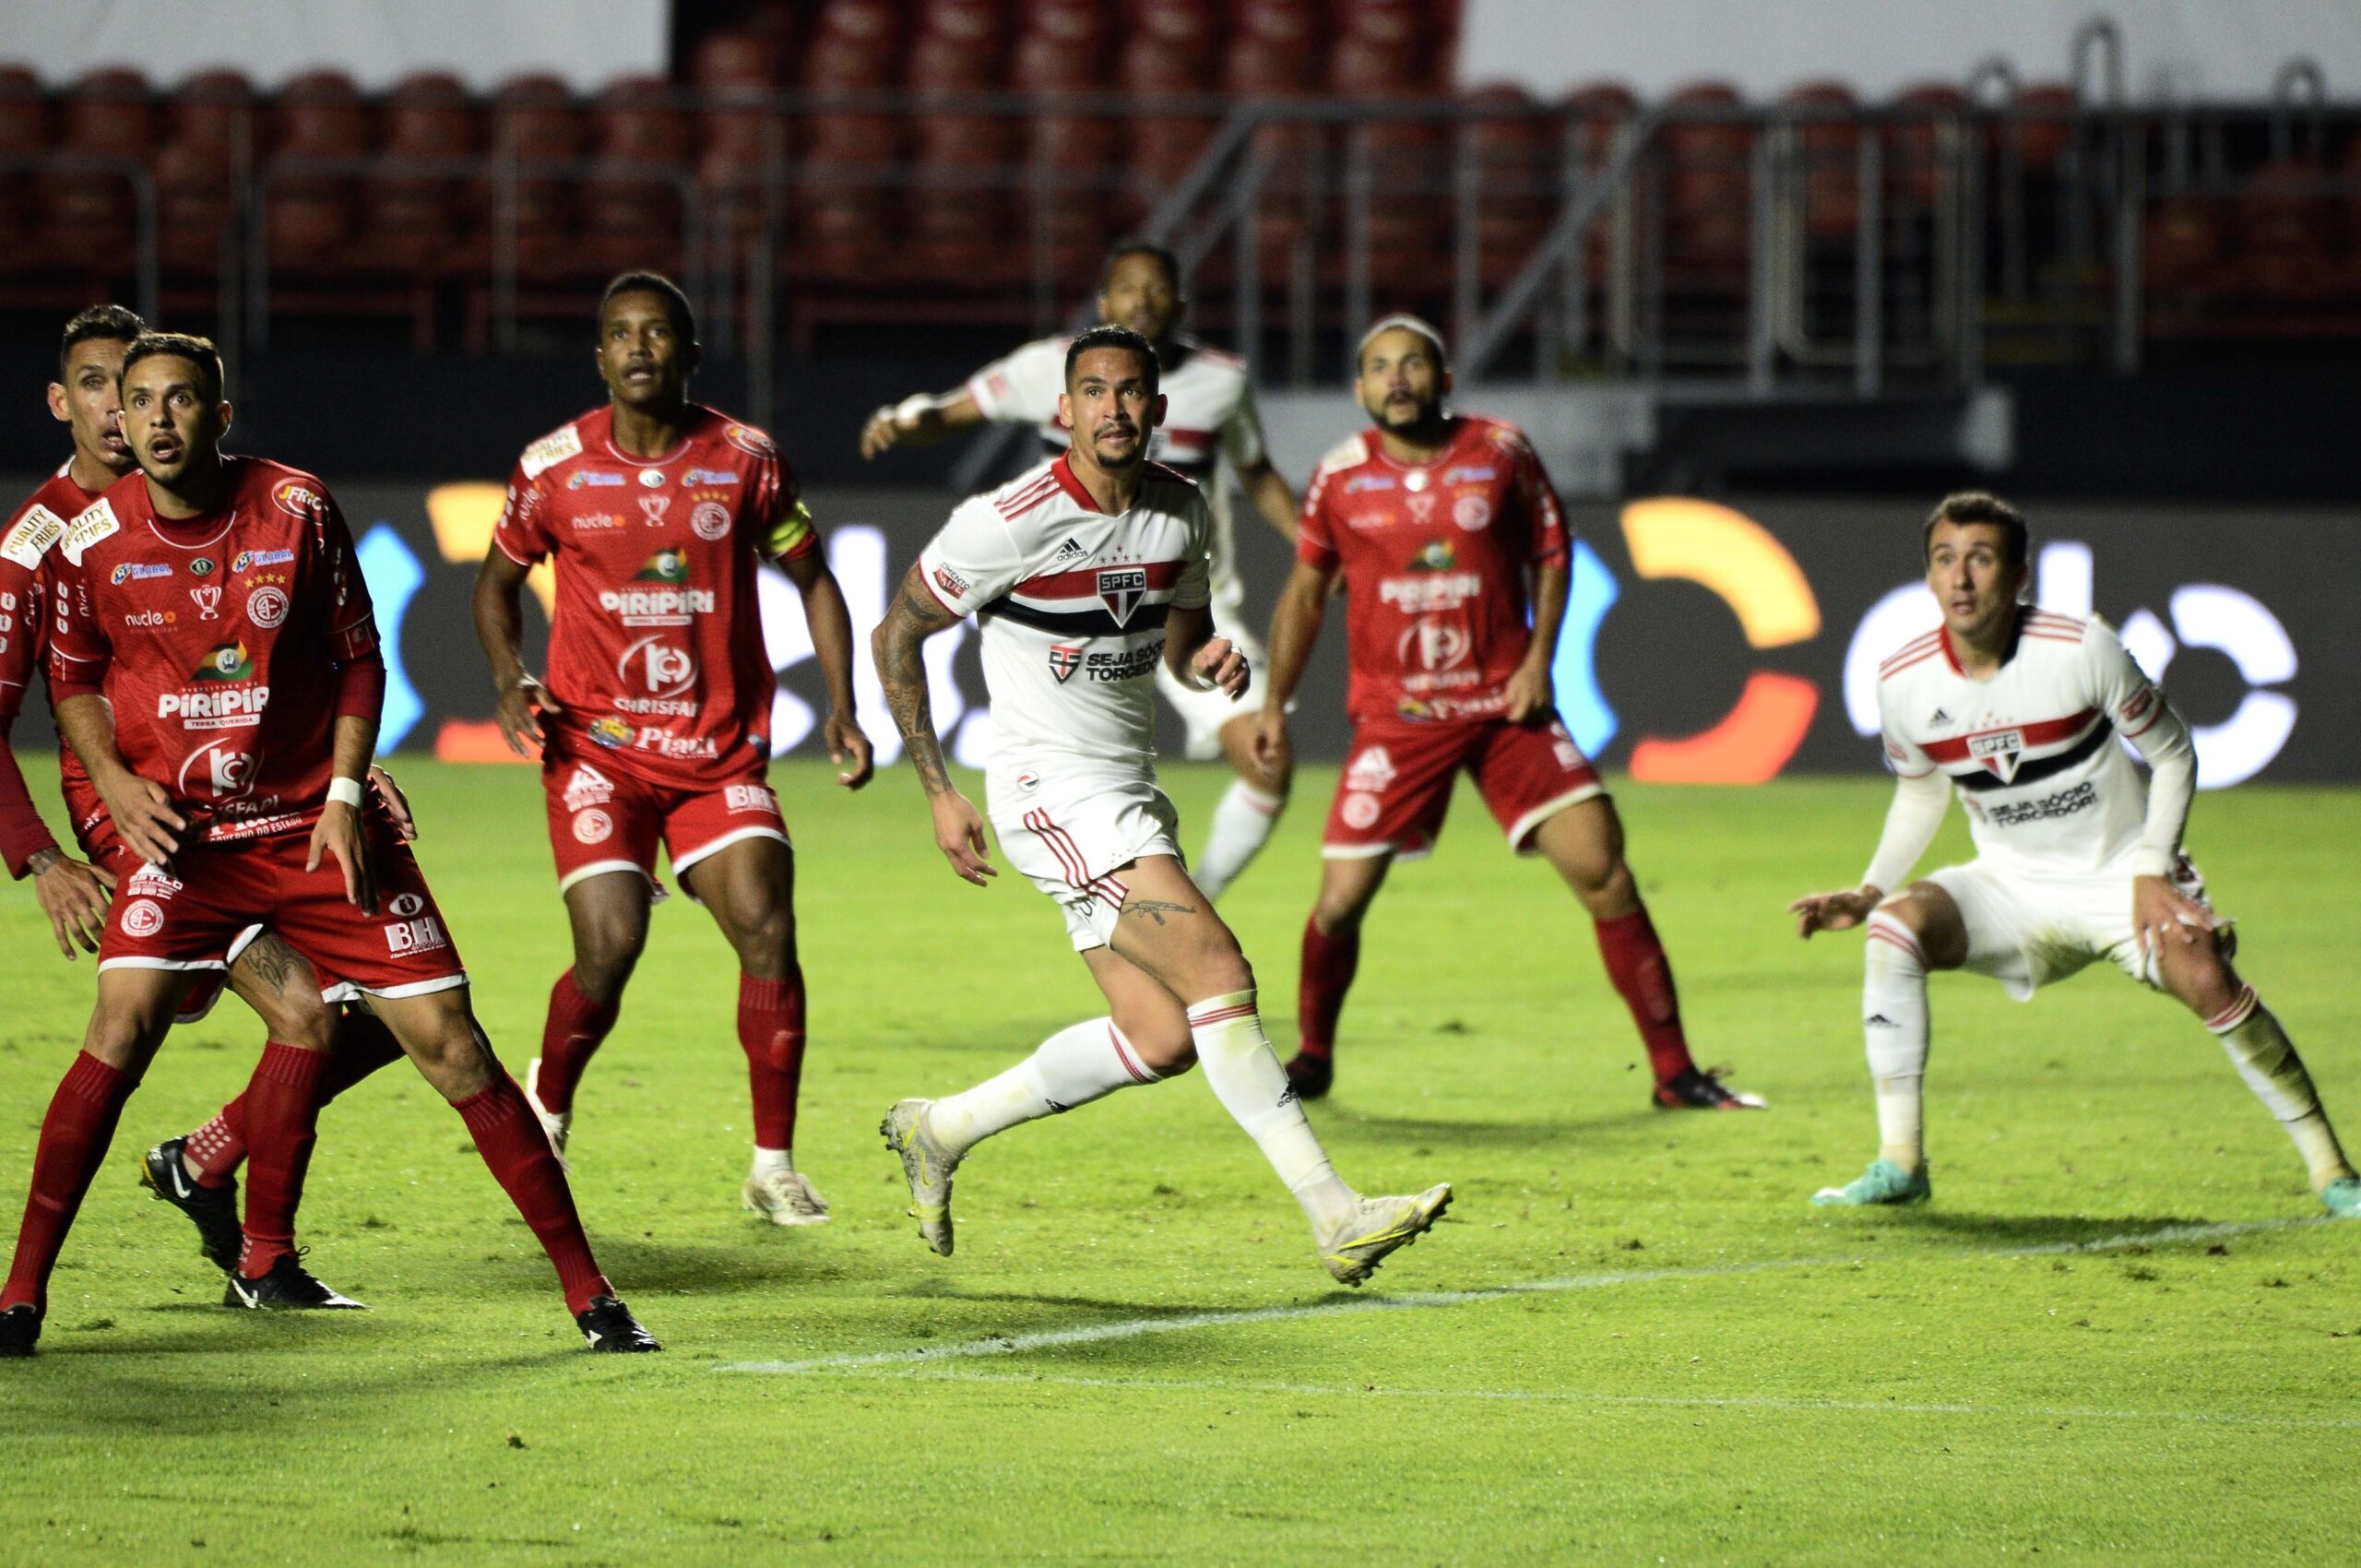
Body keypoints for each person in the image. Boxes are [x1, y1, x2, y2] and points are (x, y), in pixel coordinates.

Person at [0, 332, 656, 1358]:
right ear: (101, 415)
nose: (156, 418)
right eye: (134, 399)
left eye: (181, 400)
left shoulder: (295, 507)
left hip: (309, 825)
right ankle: (23, 1296)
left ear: (220, 415)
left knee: (446, 1038)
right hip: (177, 838)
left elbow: (358, 656)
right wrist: (82, 822)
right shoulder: (67, 541)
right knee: (128, 1022)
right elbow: (71, 684)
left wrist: (347, 790)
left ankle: (590, 1296)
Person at [869, 324, 1449, 1287]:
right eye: (1092, 391)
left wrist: (1209, 660)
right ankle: (1337, 1214)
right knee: (1219, 965)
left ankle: (940, 1127)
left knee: (1161, 1036)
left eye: (1131, 391)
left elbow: (1180, 643)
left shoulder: (1179, 510)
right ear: (1064, 410)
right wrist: (936, 788)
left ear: (1158, 409)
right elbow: (897, 633)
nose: (1113, 408)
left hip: (1127, 788)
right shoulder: (1004, 522)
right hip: (1046, 793)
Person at [1790, 492, 2359, 1215]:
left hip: (2121, 874)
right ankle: (1900, 1163)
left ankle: (2333, 1173)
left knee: (2205, 973)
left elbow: (2175, 751)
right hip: (2010, 885)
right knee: (1894, 928)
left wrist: (2154, 870)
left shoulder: (2081, 646)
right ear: (1929, 578)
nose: (1961, 578)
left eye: (1982, 559)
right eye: (1945, 559)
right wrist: (1872, 889)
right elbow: (1922, 791)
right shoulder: (1903, 681)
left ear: (2020, 576)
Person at [1252, 315, 1762, 1111]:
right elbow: (1306, 594)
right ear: (1360, 390)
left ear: (1443, 378)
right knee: (1341, 901)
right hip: (1399, 718)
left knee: (1604, 870)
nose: (1398, 378)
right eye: (1380, 367)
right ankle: (1313, 1056)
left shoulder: (1502, 451)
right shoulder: (1338, 476)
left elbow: (1552, 553)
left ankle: (1675, 1072)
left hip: (1504, 708)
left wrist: (1537, 663)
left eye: (1413, 364)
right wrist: (1274, 703)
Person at [0, 305, 409, 1279]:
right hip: (149, 823)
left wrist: (340, 777)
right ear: (65, 403)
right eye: (100, 386)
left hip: (255, 794)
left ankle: (206, 1159)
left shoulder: (245, 505)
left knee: (396, 1013)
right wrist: (42, 855)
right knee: (302, 1012)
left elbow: (278, 667)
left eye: (138, 386)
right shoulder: (41, 542)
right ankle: (242, 1252)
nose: (122, 408)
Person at [476, 272, 871, 1226]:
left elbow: (816, 581)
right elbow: (494, 587)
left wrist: (845, 708)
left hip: (718, 754)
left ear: (690, 355)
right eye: (621, 333)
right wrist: (506, 679)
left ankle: (771, 1165)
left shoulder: (744, 460)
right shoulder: (554, 468)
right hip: (597, 751)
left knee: (767, 925)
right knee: (610, 947)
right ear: (601, 356)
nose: (640, 347)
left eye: (659, 333)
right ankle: (552, 1101)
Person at [861, 241, 1297, 899]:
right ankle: (1162, 925)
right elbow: (950, 413)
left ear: (1180, 305)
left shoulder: (1221, 383)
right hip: (1072, 610)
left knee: (1268, 761)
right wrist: (900, 420)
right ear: (1104, 303)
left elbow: (1257, 473)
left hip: (1181, 609)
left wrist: (1315, 545)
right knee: (1083, 801)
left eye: (1156, 290)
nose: (1142, 301)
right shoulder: (1047, 369)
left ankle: (1194, 904)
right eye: (1128, 289)